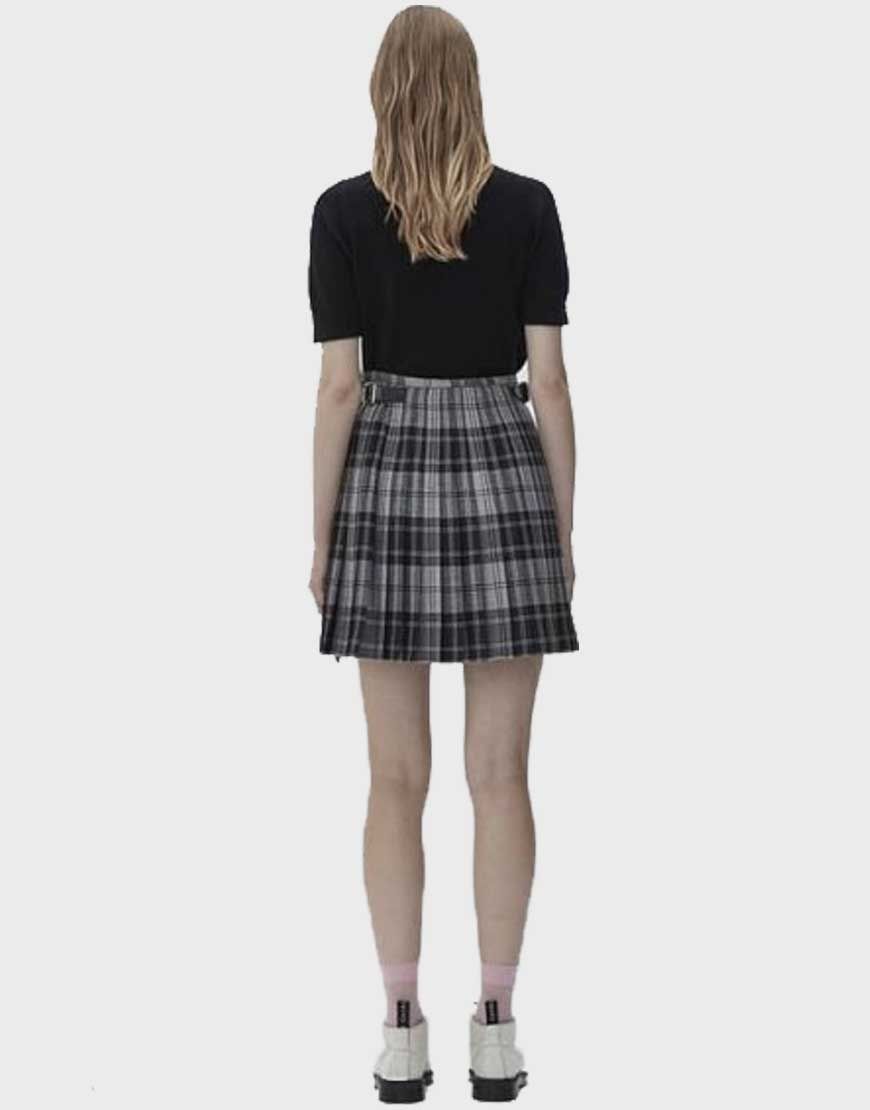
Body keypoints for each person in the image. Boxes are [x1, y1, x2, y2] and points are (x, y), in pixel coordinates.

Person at [307, 5, 578, 1102]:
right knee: (501, 775)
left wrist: (321, 536)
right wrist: (561, 526)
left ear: (384, 90)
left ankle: (399, 1025)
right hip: (503, 469)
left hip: (383, 476)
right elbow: (548, 379)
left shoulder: (341, 214)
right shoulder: (528, 206)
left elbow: (338, 387)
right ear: (469, 89)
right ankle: (498, 1027)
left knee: (393, 777)